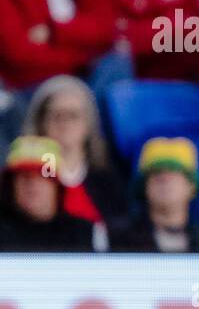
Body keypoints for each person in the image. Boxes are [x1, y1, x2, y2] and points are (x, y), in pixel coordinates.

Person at [21, 73, 126, 224]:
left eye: (73, 115)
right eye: (56, 115)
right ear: (41, 122)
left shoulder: (107, 177)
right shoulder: (25, 178)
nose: (65, 123)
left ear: (88, 123)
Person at [109, 137, 199, 252]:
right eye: (156, 173)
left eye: (174, 171)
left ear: (192, 187)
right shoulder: (117, 239)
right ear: (144, 186)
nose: (164, 179)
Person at [0, 135, 104, 250]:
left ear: (57, 186)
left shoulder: (85, 234)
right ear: (10, 185)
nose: (32, 183)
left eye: (42, 175)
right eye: (24, 175)